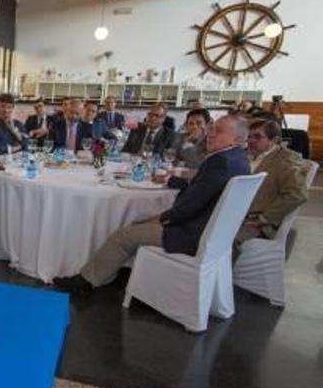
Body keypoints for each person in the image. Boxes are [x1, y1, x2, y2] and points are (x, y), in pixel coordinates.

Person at [53, 115, 250, 296]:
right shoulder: (239, 159)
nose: (211, 133)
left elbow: (191, 205)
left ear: (237, 139)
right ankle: (115, 270)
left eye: (219, 131)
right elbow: (203, 190)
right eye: (212, 128)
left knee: (123, 234)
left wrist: (164, 218)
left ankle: (86, 282)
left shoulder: (219, 162)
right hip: (212, 234)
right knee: (135, 220)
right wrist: (170, 182)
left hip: (190, 233)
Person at [237, 119, 308, 243]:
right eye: (249, 136)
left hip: (256, 223)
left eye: (257, 137)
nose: (251, 141)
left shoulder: (287, 160)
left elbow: (297, 194)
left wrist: (264, 218)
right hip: (236, 214)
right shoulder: (247, 155)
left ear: (274, 140)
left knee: (224, 240)